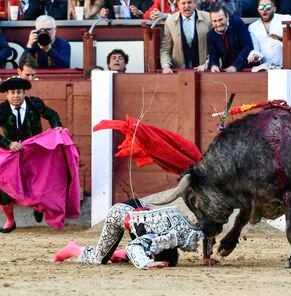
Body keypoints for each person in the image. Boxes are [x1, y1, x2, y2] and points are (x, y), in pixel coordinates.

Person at [53, 199, 206, 269]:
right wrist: (147, 263)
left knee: (136, 244)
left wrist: (207, 256)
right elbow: (134, 248)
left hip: (141, 206)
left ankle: (115, 255)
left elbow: (204, 233)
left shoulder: (179, 233)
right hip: (118, 214)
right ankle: (72, 248)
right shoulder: (152, 239)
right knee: (99, 259)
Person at [0, 77, 63, 233]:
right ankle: (10, 220)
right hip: (12, 154)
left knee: (39, 181)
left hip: (35, 152)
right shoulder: (1, 110)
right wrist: (8, 143)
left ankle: (39, 207)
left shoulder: (35, 104)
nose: (16, 95)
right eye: (12, 92)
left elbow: (52, 115)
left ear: (24, 93)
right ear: (7, 95)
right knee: (3, 185)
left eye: (19, 92)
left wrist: (56, 127)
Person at [160, 0, 211, 73]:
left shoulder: (208, 18)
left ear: (195, 3)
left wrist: (207, 64)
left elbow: (215, 45)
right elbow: (165, 48)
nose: (187, 6)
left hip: (205, 71)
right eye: (183, 3)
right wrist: (166, 66)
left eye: (189, 2)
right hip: (180, 72)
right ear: (178, 4)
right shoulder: (170, 21)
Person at [247, 0, 291, 70]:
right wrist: (255, 55)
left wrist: (281, 39)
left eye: (268, 7)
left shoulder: (286, 18)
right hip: (266, 69)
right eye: (261, 7)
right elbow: (255, 49)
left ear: (274, 9)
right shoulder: (253, 27)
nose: (264, 9)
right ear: (258, 10)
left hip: (286, 67)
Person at [207, 5, 253, 72]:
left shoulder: (237, 24)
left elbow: (248, 47)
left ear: (227, 17)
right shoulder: (210, 35)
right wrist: (214, 65)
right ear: (211, 22)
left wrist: (235, 66)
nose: (218, 24)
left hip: (246, 69)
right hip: (227, 71)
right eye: (214, 21)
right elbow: (213, 55)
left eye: (220, 19)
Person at [82, 0, 152, 19]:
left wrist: (140, 13)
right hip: (117, 32)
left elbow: (149, 14)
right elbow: (110, 16)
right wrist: (105, 15)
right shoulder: (110, 1)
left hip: (139, 32)